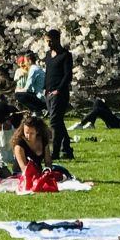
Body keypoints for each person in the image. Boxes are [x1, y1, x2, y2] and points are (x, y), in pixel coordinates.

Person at [44, 29, 74, 161]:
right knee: (58, 121)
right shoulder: (47, 55)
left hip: (59, 93)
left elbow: (68, 75)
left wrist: (59, 90)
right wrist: (45, 87)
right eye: (47, 41)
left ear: (57, 40)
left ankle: (55, 152)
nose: (48, 44)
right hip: (48, 92)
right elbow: (48, 73)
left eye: (50, 41)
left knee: (54, 122)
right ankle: (67, 149)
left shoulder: (65, 55)